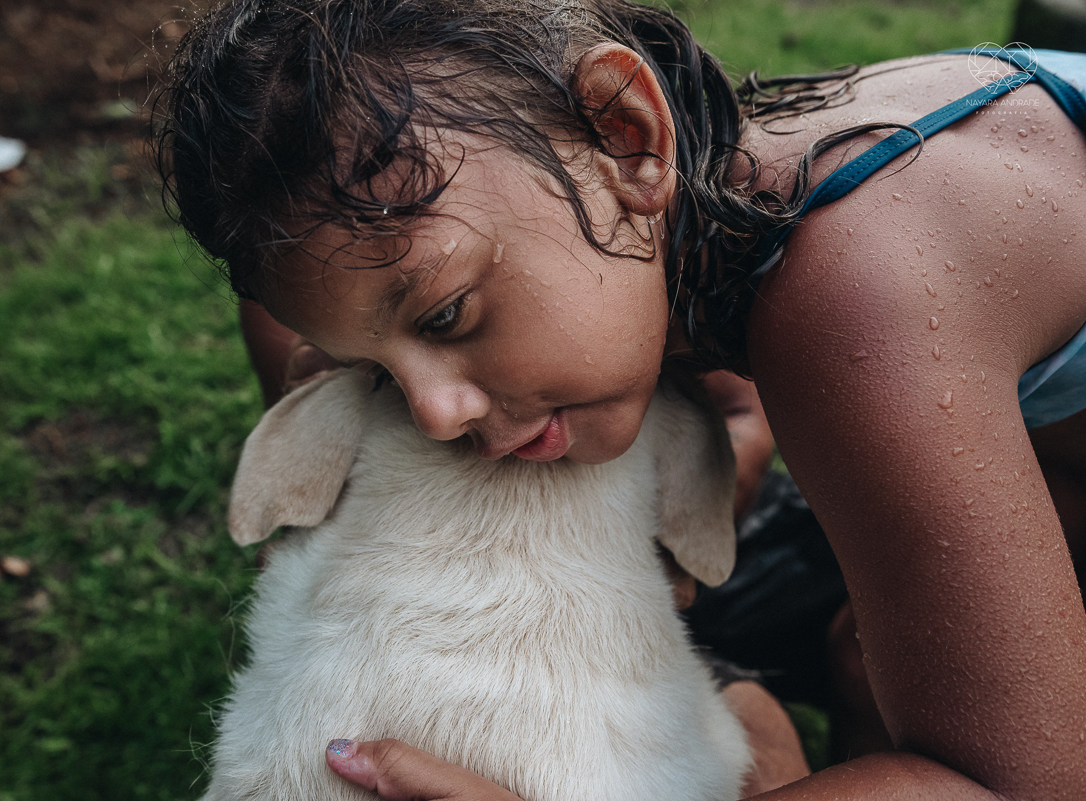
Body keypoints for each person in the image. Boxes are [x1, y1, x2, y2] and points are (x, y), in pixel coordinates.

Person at [156, 0, 1086, 798]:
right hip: (1044, 419)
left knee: (873, 666)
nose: (434, 415)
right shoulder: (686, 218)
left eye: (445, 314)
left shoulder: (851, 297)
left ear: (624, 135)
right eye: (381, 373)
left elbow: (1022, 783)